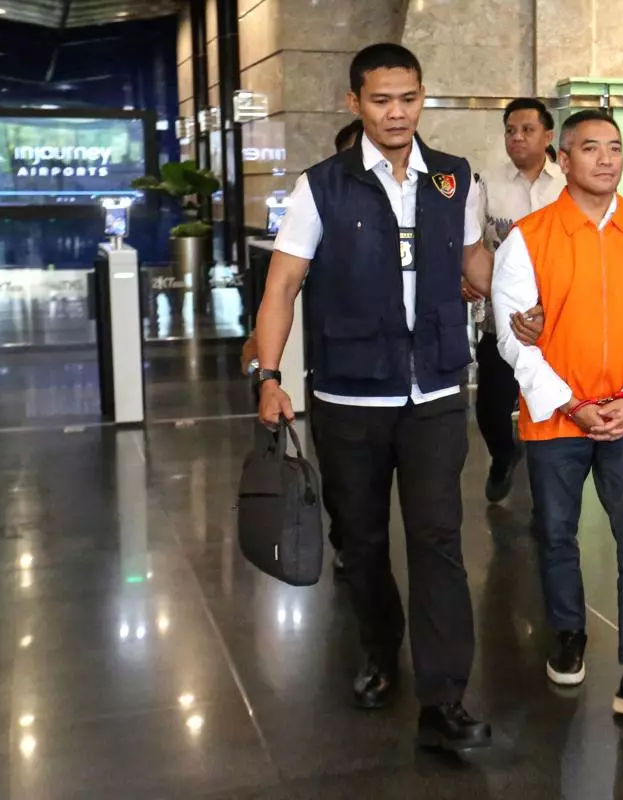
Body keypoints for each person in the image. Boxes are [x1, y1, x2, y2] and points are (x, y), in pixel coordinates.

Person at [253, 43, 493, 752]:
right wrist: (269, 376)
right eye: (382, 100)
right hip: (350, 397)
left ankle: (445, 697)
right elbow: (282, 286)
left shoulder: (454, 178)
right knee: (359, 541)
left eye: (408, 99)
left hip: (435, 390)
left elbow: (475, 260)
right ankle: (381, 650)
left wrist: (520, 297)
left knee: (438, 540)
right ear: (354, 102)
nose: (396, 113)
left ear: (422, 99)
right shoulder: (321, 187)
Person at [492, 110, 623, 720]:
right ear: (564, 158)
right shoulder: (529, 237)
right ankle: (569, 632)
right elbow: (513, 339)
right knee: (555, 531)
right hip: (557, 417)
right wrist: (571, 404)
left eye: (615, 148)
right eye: (591, 148)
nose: (606, 159)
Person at [241, 115, 364, 580]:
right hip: (333, 372)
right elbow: (281, 288)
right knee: (346, 485)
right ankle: (346, 540)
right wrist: (266, 373)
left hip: (406, 384)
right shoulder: (319, 204)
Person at [465, 98, 565, 503]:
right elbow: (471, 242)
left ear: (548, 135)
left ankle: (550, 498)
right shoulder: (486, 183)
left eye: (527, 129)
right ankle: (504, 455)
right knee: (491, 406)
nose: (517, 137)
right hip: (502, 317)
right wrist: (466, 277)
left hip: (559, 318)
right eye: (510, 130)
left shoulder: (568, 183)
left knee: (550, 405)